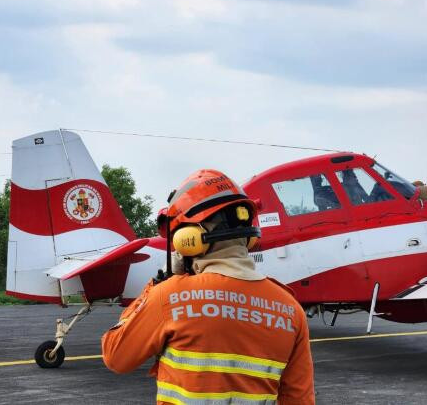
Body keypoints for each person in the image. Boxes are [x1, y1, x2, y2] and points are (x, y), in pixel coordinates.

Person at [101, 169, 315, 404]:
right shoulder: (290, 309)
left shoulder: (169, 295)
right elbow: (299, 399)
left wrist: (157, 283)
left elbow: (116, 356)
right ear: (248, 236)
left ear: (188, 239)